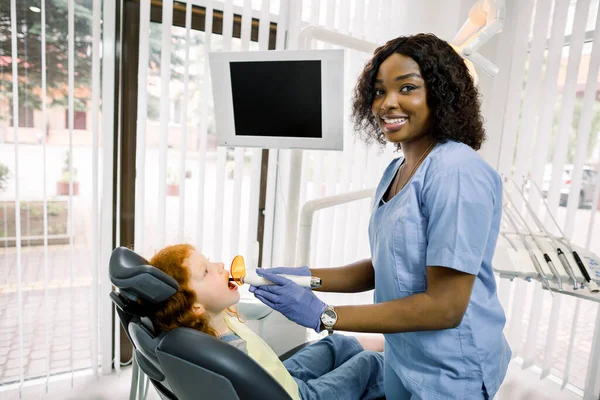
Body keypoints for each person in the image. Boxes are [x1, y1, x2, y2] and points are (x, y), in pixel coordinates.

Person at [250, 33, 512, 400]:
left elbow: (446, 307)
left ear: (441, 93)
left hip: (451, 368)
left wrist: (326, 315)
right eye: (378, 91)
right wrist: (306, 278)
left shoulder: (456, 170)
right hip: (404, 354)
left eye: (408, 88)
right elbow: (387, 267)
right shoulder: (397, 169)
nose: (388, 103)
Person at [147, 244, 385, 400]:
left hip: (280, 377)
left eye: (210, 261)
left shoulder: (213, 320)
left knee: (337, 344)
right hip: (295, 396)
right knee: (369, 363)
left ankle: (388, 344)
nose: (220, 266)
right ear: (195, 307)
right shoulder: (225, 352)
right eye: (206, 272)